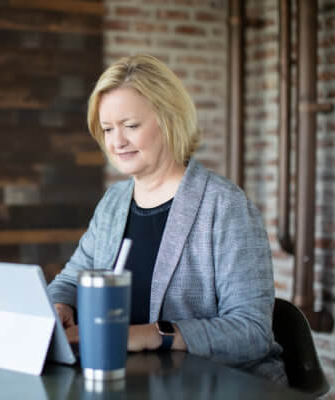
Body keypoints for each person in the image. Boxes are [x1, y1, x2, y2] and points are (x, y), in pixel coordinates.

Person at [47, 54, 287, 383]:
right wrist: (60, 304)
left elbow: (252, 331)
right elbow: (71, 280)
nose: (117, 142)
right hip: (130, 381)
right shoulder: (114, 202)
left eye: (131, 126)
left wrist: (154, 334)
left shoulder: (225, 206)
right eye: (107, 129)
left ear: (169, 120)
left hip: (215, 386)